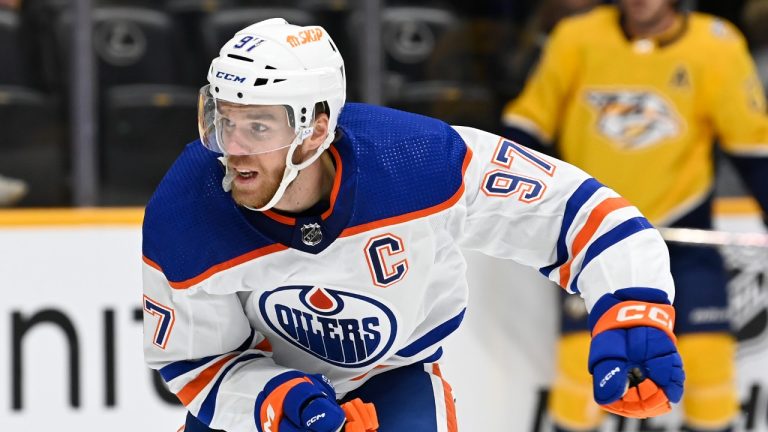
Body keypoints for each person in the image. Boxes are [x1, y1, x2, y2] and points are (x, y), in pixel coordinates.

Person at [142, 18, 685, 432]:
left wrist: (631, 305)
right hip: (268, 400)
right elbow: (196, 360)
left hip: (392, 383)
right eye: (224, 120)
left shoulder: (419, 162)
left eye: (258, 125)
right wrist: (276, 401)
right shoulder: (186, 211)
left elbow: (584, 215)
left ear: (316, 130)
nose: (233, 149)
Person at [501, 1, 768, 431]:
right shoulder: (578, 38)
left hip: (682, 234)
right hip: (595, 237)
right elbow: (526, 128)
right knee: (580, 375)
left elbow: (753, 149)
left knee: (708, 365)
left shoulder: (715, 45)